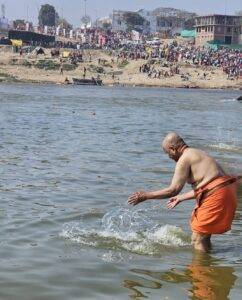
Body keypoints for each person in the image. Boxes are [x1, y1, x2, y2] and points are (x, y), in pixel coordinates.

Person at [128, 132, 240, 252]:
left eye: (168, 153)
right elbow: (210, 185)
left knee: (198, 239)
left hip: (217, 194)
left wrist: (146, 196)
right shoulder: (198, 153)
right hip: (228, 191)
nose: (169, 157)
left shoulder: (184, 158)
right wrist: (181, 197)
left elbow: (173, 189)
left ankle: (200, 270)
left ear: (173, 149)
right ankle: (208, 264)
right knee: (204, 236)